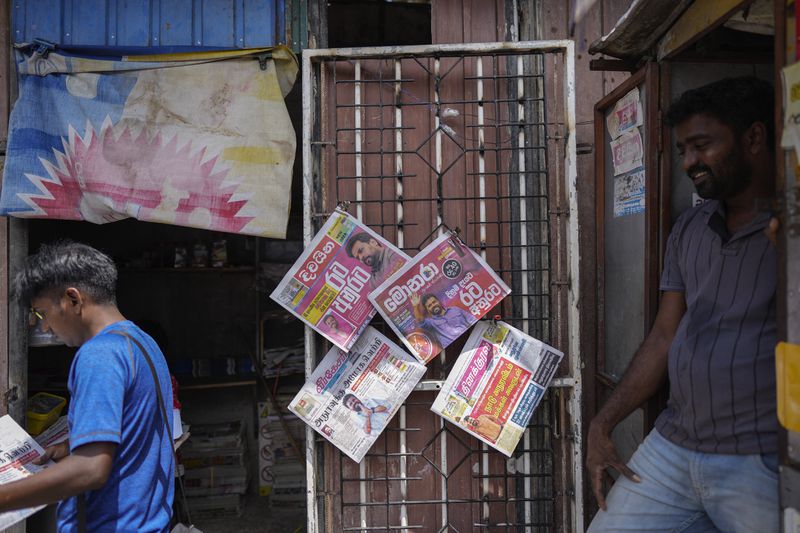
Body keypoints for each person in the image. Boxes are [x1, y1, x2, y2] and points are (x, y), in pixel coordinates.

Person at [587, 76, 778, 532]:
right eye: (682, 151)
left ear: (753, 137)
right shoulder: (691, 228)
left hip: (760, 461)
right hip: (674, 446)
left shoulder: (787, 230)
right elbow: (664, 336)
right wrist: (603, 422)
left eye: (701, 145)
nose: (690, 162)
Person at [0, 241, 174, 532]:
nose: (43, 328)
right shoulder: (141, 341)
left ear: (72, 299)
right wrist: (71, 447)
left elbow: (91, 469)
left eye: (41, 314)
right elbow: (133, 426)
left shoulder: (99, 355)